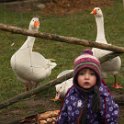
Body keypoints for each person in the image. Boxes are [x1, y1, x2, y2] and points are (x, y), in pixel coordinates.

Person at [56, 49, 119, 124]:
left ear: (97, 77)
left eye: (92, 74)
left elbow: (110, 117)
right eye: (82, 73)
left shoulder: (103, 95)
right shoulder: (71, 93)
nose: (86, 77)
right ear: (76, 77)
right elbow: (64, 114)